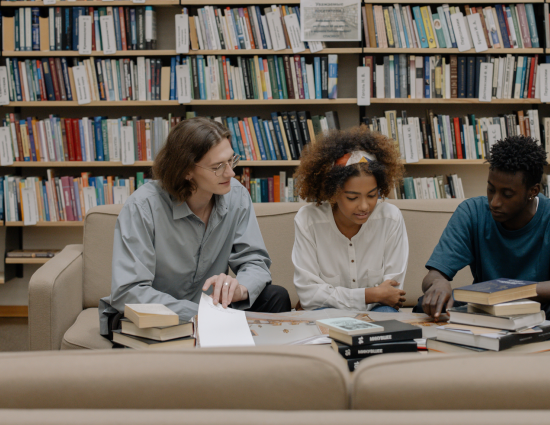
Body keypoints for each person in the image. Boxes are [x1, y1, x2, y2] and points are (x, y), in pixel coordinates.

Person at [99, 118, 291, 337]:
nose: (230, 173)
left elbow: (255, 261)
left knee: (276, 296)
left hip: (210, 308)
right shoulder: (143, 207)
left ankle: (257, 366)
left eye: (231, 161)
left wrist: (240, 288)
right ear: (186, 171)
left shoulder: (236, 195)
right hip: (158, 313)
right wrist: (202, 314)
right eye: (218, 166)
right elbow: (129, 292)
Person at [417, 135, 550, 351]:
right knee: (425, 305)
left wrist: (507, 292)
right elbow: (433, 276)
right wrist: (439, 283)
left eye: (507, 194)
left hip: (541, 307)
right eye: (491, 189)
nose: (495, 202)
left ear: (533, 191)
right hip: (486, 308)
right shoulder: (472, 212)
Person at [291, 125, 408, 312]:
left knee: (387, 316)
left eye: (372, 195)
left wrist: (372, 297)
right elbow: (309, 295)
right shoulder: (308, 221)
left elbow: (392, 293)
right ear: (333, 193)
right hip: (328, 311)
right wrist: (369, 295)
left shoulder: (391, 218)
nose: (364, 206)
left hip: (378, 309)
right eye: (352, 198)